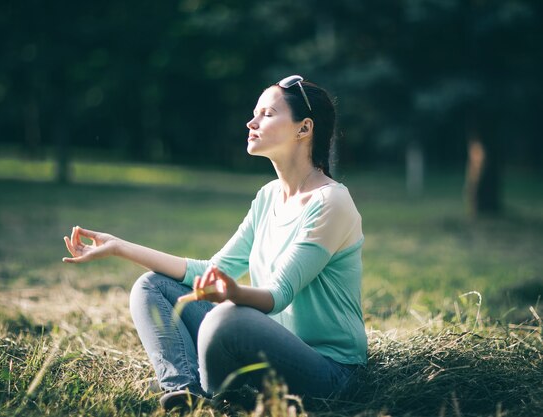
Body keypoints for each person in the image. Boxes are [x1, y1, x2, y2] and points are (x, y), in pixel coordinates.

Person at [62, 75, 367, 411]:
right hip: (267, 348)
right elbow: (210, 270)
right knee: (152, 287)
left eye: (267, 114)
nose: (251, 122)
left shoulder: (331, 202)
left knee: (225, 319)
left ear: (304, 128)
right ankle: (185, 392)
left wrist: (231, 294)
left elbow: (276, 296)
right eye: (255, 113)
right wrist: (120, 246)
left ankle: (211, 397)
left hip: (331, 374)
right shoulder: (268, 197)